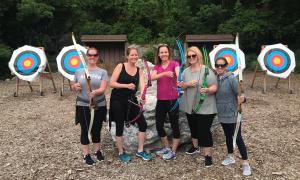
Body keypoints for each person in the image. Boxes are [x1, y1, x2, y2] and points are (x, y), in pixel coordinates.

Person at [109, 46, 151, 163]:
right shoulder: (120, 66)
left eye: (136, 55)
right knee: (119, 126)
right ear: (127, 56)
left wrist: (143, 97)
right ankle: (121, 152)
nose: (134, 57)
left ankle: (140, 150)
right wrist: (126, 86)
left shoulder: (139, 70)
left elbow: (143, 86)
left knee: (143, 124)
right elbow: (111, 83)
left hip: (131, 100)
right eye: (131, 55)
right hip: (117, 100)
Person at [180, 46, 218, 167]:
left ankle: (208, 155)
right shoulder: (186, 71)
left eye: (193, 55)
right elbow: (182, 87)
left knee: (204, 131)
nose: (191, 58)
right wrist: (186, 84)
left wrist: (207, 90)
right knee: (193, 127)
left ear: (198, 56)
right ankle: (195, 147)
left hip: (206, 106)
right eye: (189, 56)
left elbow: (215, 87)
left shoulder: (207, 70)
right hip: (190, 105)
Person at [214, 57, 251, 176]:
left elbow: (242, 93)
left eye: (222, 65)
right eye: (217, 65)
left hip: (233, 114)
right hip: (222, 114)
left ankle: (245, 163)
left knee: (237, 137)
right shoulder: (216, 79)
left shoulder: (231, 78)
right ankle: (230, 156)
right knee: (228, 136)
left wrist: (243, 99)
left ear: (226, 66)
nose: (219, 67)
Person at [71, 47, 108, 166]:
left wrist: (96, 92)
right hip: (82, 104)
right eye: (90, 55)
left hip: (99, 105)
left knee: (96, 129)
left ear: (98, 56)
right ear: (86, 56)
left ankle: (97, 151)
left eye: (95, 55)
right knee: (85, 129)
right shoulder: (79, 71)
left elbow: (103, 88)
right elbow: (73, 86)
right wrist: (74, 87)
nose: (92, 57)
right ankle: (86, 154)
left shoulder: (102, 72)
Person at [151, 44, 180, 161]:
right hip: (161, 100)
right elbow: (152, 77)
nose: (164, 54)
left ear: (169, 53)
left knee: (174, 125)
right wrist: (164, 73)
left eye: (165, 52)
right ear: (158, 54)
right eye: (161, 52)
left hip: (173, 99)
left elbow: (178, 73)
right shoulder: (157, 66)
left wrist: (179, 79)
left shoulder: (174, 64)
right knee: (159, 125)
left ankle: (173, 151)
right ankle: (167, 147)